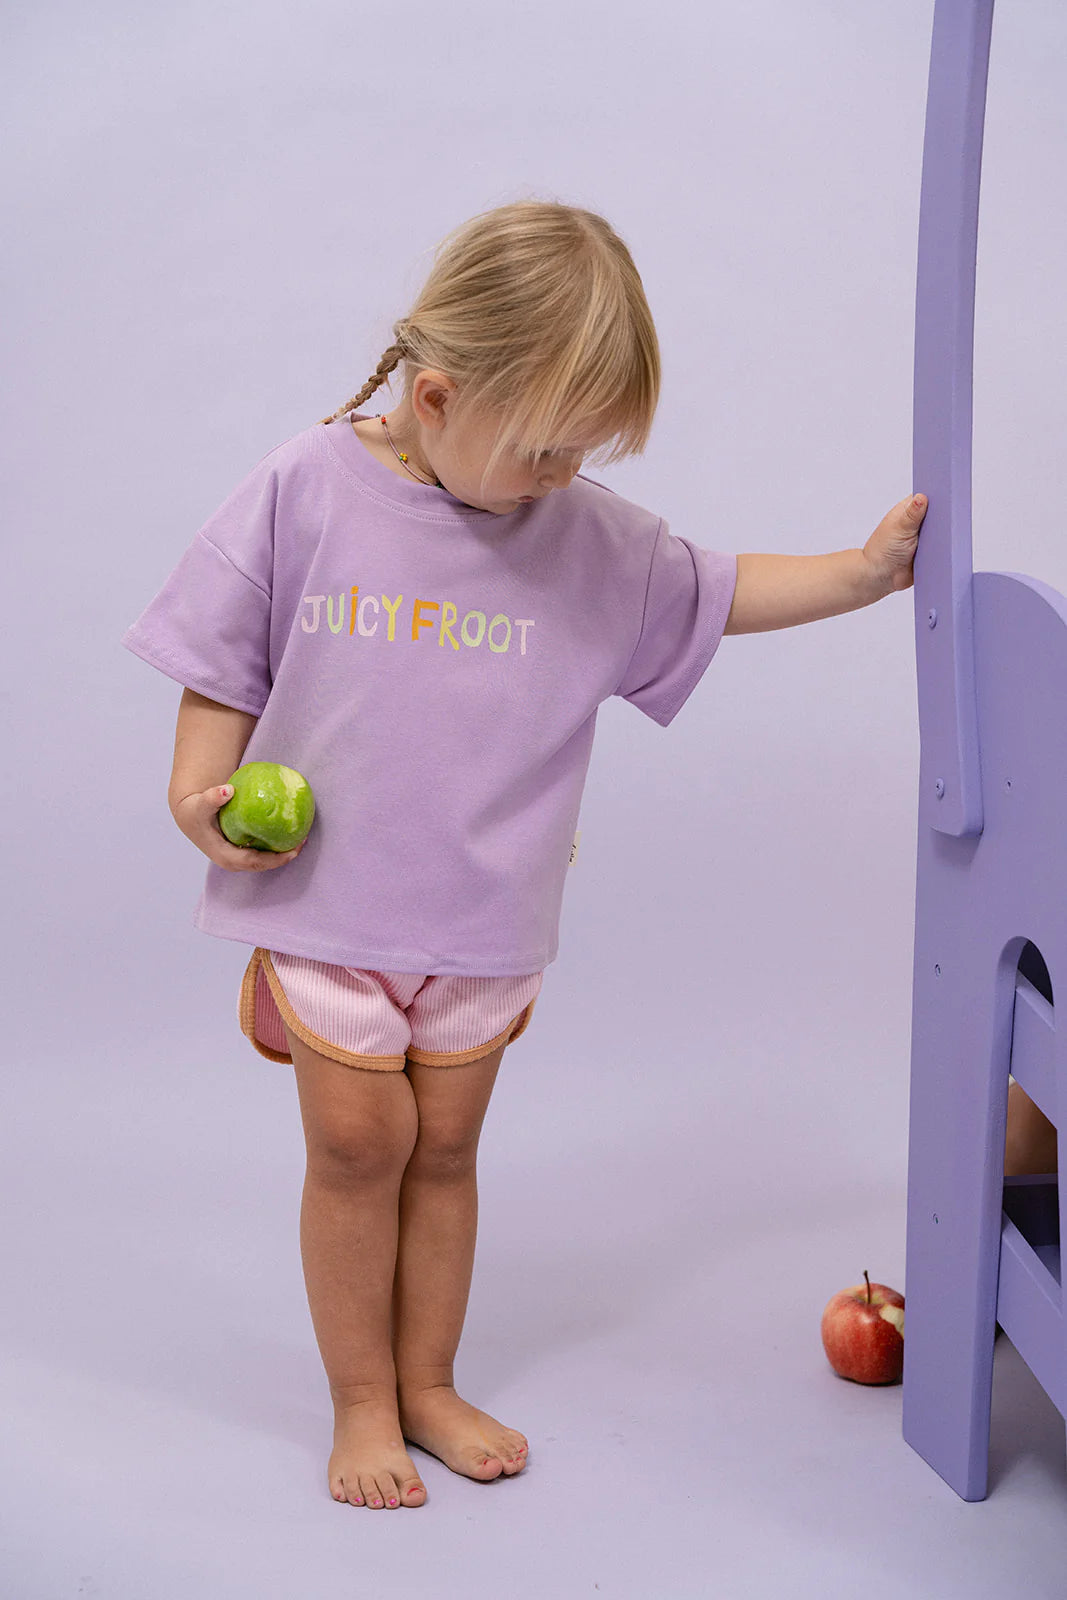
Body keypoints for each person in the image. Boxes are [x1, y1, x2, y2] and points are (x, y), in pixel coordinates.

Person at [123, 198, 932, 1513]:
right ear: (436, 397)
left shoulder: (587, 539)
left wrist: (863, 571)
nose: (565, 477)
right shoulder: (304, 487)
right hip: (329, 906)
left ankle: (429, 1382)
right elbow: (220, 647)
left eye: (585, 452)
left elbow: (723, 590)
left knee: (443, 1153)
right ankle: (363, 1404)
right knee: (354, 1147)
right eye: (546, 450)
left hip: (484, 920)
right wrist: (192, 783)